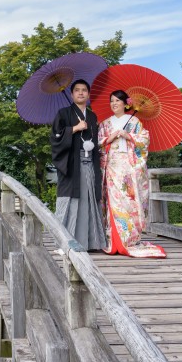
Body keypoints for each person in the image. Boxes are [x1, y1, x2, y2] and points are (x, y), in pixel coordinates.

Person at [98, 90, 166, 258]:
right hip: (111, 166)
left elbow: (144, 141)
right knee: (113, 202)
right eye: (112, 101)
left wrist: (127, 135)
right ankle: (113, 239)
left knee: (128, 202)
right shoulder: (105, 124)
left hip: (128, 167)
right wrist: (109, 138)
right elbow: (98, 142)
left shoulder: (134, 121)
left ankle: (128, 239)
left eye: (118, 101)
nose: (114, 104)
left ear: (125, 104)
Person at [50, 79, 108, 251]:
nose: (81, 93)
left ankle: (91, 242)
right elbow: (55, 138)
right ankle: (64, 242)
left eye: (84, 90)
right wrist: (73, 129)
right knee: (70, 202)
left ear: (88, 95)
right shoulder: (63, 113)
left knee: (89, 200)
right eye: (77, 90)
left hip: (90, 164)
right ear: (72, 94)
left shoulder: (92, 116)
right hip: (72, 165)